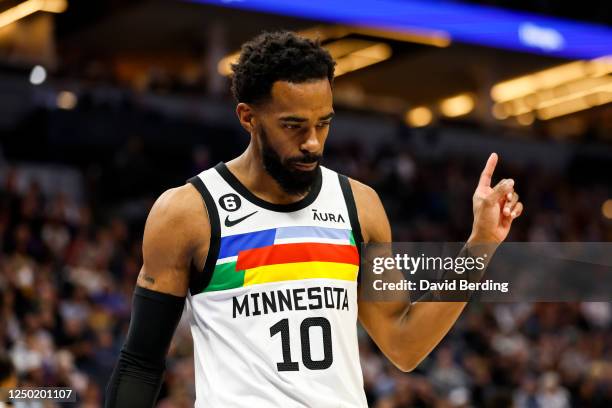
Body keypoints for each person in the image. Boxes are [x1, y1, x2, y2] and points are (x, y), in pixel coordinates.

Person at [105, 31, 523, 407]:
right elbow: (141, 363)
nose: (312, 142)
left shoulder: (359, 205)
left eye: (324, 124)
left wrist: (481, 243)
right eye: (293, 125)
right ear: (247, 117)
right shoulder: (188, 212)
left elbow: (404, 343)